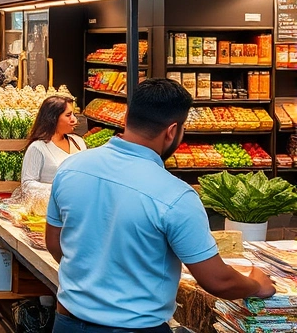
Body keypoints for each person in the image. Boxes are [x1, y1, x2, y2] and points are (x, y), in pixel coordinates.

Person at [46, 79, 276, 332]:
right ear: (172, 131)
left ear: (126, 118)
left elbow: (55, 244)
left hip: (67, 321)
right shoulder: (176, 196)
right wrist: (256, 284)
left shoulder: (71, 167)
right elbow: (218, 281)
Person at [20, 96, 86, 195]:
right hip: (49, 207)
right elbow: (27, 184)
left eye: (74, 114)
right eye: (68, 115)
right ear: (53, 118)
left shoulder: (79, 142)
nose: (74, 119)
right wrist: (59, 188)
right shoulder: (38, 147)